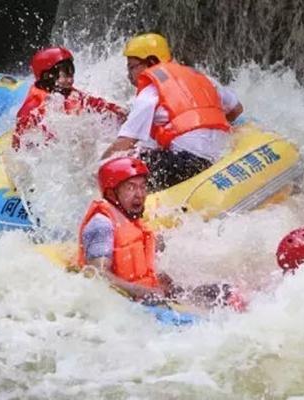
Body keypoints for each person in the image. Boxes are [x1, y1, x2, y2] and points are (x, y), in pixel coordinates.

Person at [77, 156, 246, 311]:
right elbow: (96, 274)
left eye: (143, 187)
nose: (140, 194)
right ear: (112, 192)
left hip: (150, 294)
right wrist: (140, 291)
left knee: (225, 292)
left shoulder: (133, 221)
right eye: (131, 187)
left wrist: (164, 282)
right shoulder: (102, 224)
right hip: (132, 303)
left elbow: (142, 264)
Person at [101, 33, 244, 191]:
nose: (128, 74)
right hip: (221, 154)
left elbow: (124, 144)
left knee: (126, 160)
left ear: (151, 62)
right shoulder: (202, 77)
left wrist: (97, 169)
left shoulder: (150, 93)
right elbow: (237, 109)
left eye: (132, 67)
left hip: (187, 165)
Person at [13, 47, 126, 150]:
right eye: (66, 74)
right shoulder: (34, 105)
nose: (71, 79)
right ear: (48, 76)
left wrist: (121, 113)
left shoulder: (70, 94)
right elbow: (20, 141)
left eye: (72, 72)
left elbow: (95, 104)